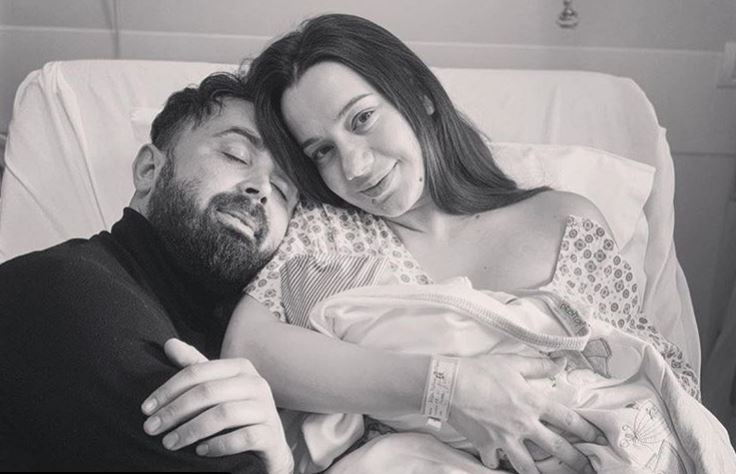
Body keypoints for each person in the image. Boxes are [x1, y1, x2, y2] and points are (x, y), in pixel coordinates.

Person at [146, 14, 699, 474]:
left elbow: (653, 381)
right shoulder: (330, 230)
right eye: (322, 151)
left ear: (417, 95)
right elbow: (251, 348)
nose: (355, 166)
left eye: (362, 119)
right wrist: (448, 388)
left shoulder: (567, 221)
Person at [0, 72, 297, 473]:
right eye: (236, 155)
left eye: (284, 190)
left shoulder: (230, 343)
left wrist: (279, 458)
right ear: (148, 170)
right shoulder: (68, 292)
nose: (261, 189)